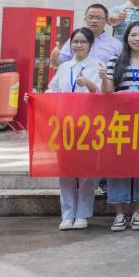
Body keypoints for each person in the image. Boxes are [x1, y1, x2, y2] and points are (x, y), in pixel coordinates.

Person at [99, 21, 139, 232]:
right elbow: (108, 92)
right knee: (117, 167)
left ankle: (137, 212)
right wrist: (103, 79)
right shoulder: (115, 60)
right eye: (133, 35)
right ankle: (119, 214)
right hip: (120, 122)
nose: (137, 39)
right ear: (126, 38)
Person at [47, 27, 102, 231]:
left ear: (90, 45)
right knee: (66, 170)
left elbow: (104, 96)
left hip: (88, 125)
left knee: (86, 171)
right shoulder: (64, 67)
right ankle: (68, 214)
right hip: (65, 125)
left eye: (83, 42)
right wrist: (35, 98)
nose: (78, 45)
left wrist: (89, 84)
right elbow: (52, 91)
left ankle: (82, 214)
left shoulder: (98, 66)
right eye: (75, 42)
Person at [50, 3, 122, 67]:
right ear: (85, 19)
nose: (94, 21)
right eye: (91, 17)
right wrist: (54, 58)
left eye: (98, 18)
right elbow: (57, 64)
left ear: (106, 20)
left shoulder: (116, 44)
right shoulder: (74, 41)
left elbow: (120, 69)